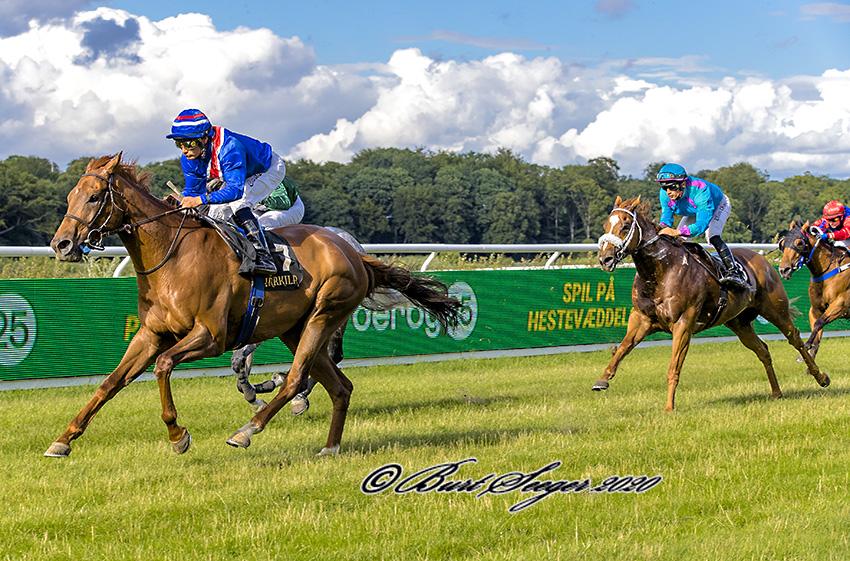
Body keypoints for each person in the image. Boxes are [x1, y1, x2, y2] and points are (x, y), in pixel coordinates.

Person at [166, 108, 281, 276]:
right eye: (179, 143)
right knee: (215, 213)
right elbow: (193, 191)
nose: (184, 150)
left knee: (238, 204)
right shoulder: (190, 157)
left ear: (204, 138)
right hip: (240, 174)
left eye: (188, 143)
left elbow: (235, 191)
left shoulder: (229, 147)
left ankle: (264, 256)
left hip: (267, 169)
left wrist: (200, 200)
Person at [655, 162, 748, 288]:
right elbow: (666, 218)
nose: (668, 192)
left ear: (683, 184)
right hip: (693, 210)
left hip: (718, 206)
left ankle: (734, 272)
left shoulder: (700, 189)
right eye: (664, 187)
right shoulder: (664, 194)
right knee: (679, 240)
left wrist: (677, 231)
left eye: (671, 187)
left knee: (712, 236)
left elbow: (701, 225)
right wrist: (661, 229)